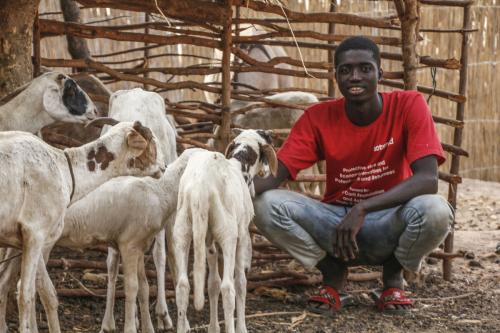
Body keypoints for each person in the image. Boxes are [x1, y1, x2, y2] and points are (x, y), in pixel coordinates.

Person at [253, 36, 454, 315]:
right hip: (336, 226)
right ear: (336, 76)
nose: (355, 76)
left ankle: (393, 278)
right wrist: (232, 185)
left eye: (365, 68)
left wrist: (362, 208)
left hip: (389, 220)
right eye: (345, 70)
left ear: (379, 74)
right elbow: (276, 176)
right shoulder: (318, 117)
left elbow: (428, 179)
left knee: (436, 210)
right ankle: (332, 271)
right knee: (263, 204)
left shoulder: (409, 105)